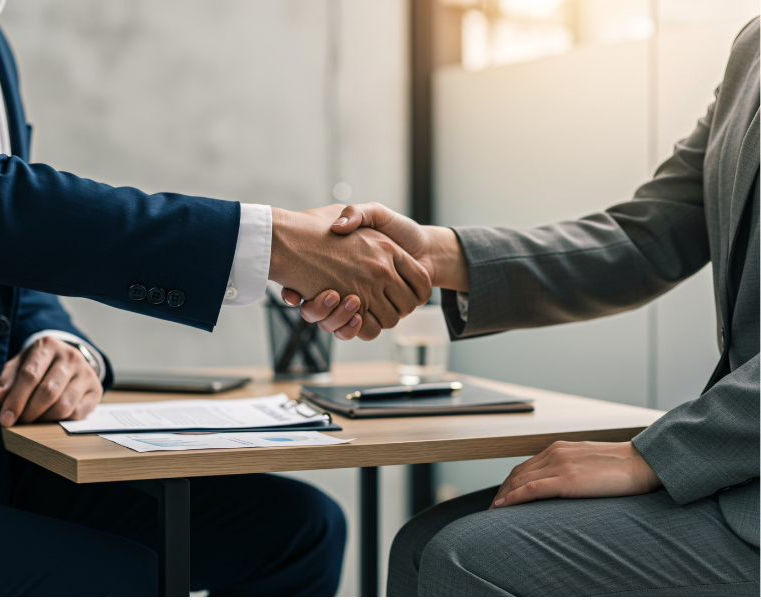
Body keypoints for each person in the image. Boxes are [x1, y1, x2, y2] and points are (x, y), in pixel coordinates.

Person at [0, 1, 432, 595]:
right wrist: (274, 244)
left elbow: (6, 258)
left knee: (301, 529)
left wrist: (60, 342)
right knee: (129, 573)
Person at [289, 17, 760, 597]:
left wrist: (656, 456)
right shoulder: (752, 46)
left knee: (465, 557)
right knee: (424, 543)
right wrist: (431, 254)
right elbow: (645, 239)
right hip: (740, 471)